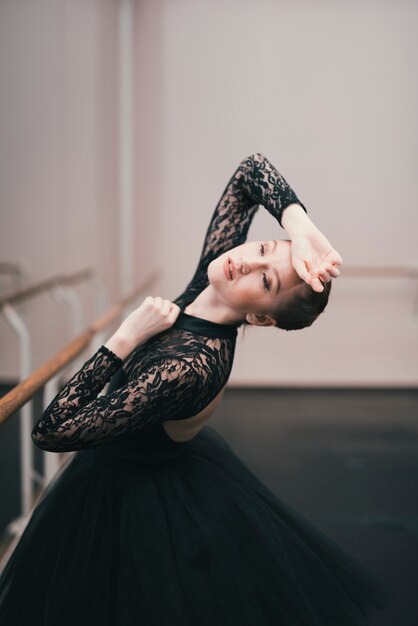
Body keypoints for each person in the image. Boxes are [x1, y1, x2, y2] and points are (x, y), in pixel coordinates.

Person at [0, 154, 390, 625]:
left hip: (133, 502)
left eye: (265, 280)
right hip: (146, 469)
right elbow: (251, 172)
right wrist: (300, 226)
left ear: (262, 317)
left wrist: (123, 339)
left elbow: (50, 431)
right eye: (264, 247)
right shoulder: (210, 287)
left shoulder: (190, 367)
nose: (244, 261)